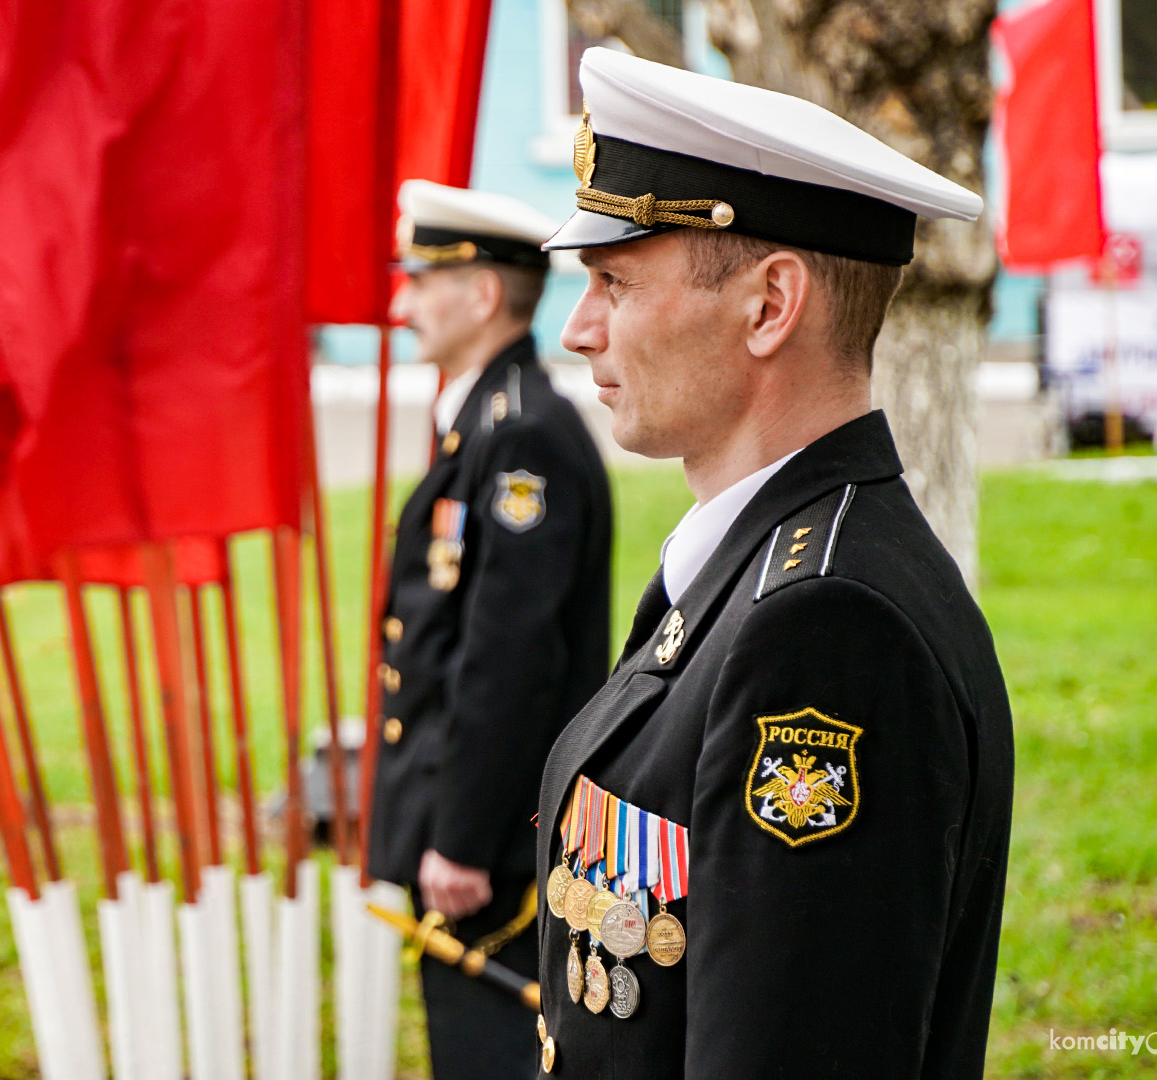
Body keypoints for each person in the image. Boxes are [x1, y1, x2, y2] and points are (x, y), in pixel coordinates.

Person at [528, 49, 1014, 1078]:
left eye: (614, 281)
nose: (577, 330)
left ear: (768, 306)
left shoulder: (827, 632)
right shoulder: (754, 565)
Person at [367, 179, 613, 1079]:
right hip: (468, 828)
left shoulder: (522, 440)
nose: (400, 306)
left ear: (478, 294)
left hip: (493, 852)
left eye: (417, 282)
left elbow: (509, 660)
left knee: (491, 1054)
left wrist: (464, 838)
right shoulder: (482, 425)